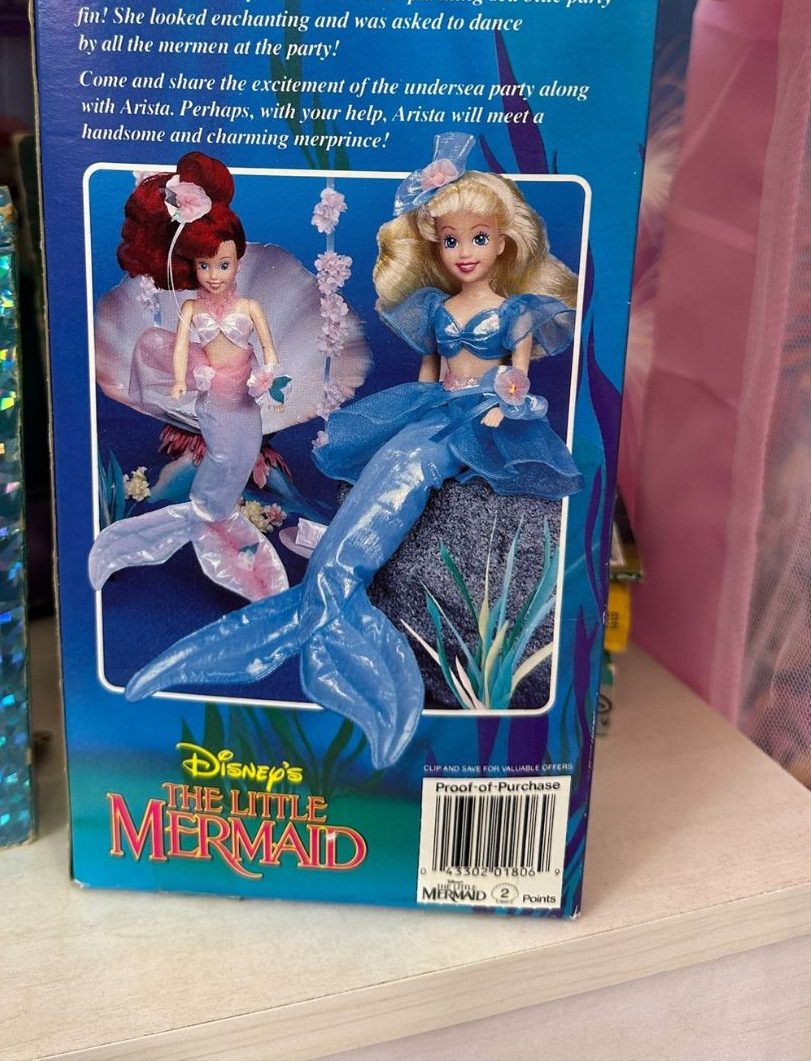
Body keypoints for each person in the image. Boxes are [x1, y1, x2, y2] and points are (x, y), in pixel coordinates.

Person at [120, 136, 583, 767]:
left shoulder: (518, 311)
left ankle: (333, 589)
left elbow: (517, 377)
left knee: (409, 468)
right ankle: (334, 595)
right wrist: (411, 413)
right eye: (450, 240)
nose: (465, 252)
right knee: (393, 459)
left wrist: (501, 406)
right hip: (436, 411)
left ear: (504, 241)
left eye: (478, 238)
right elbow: (428, 373)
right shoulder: (437, 307)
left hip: (484, 418)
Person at [89, 152, 294, 601]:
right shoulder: (191, 308)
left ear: (238, 262)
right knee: (220, 457)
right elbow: (180, 346)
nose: (214, 276)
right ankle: (209, 517)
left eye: (223, 265)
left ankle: (214, 517)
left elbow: (269, 348)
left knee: (242, 457)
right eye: (204, 266)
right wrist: (182, 379)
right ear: (191, 266)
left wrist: (268, 374)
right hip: (212, 398)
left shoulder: (250, 307)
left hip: (244, 401)